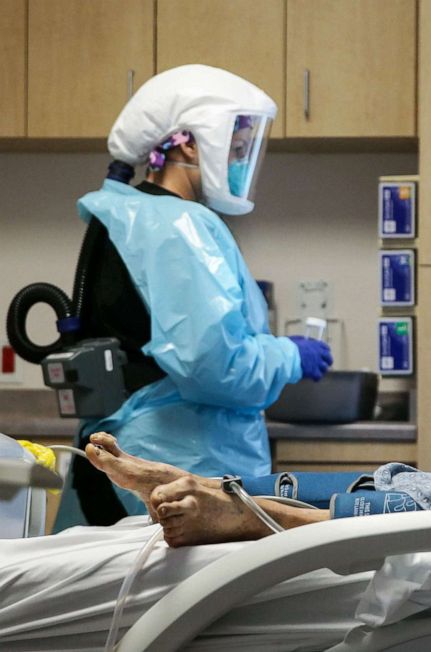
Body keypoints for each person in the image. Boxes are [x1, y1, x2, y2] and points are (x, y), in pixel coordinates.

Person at [55, 65, 332, 529]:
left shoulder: (128, 214)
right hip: (179, 462)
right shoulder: (178, 226)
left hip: (135, 454)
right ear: (186, 142)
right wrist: (288, 356)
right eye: (236, 148)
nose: (241, 162)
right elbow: (214, 365)